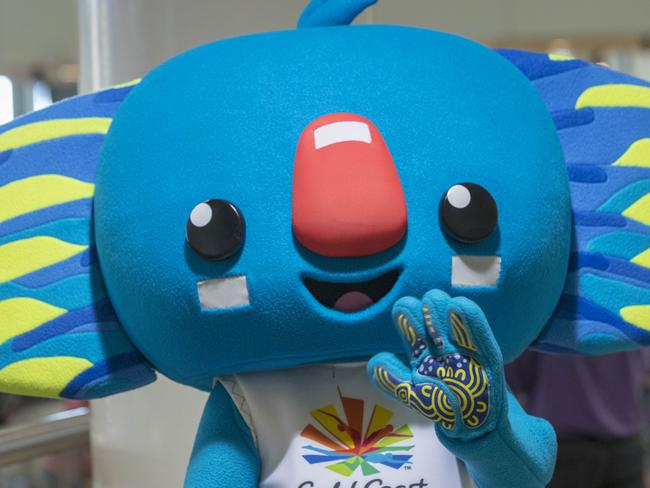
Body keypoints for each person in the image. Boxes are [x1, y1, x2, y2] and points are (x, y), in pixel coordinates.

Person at [507, 351, 648, 488]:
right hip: (627, 448)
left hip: (563, 448)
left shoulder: (552, 327)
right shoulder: (639, 328)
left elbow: (514, 376)